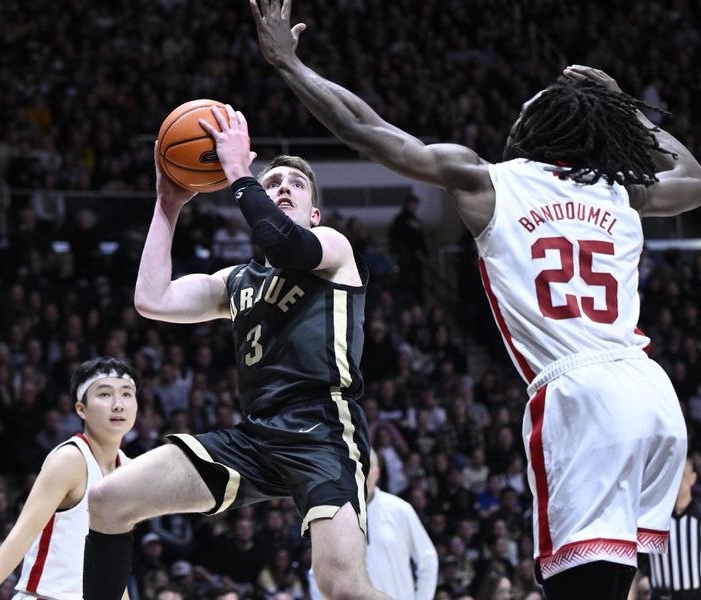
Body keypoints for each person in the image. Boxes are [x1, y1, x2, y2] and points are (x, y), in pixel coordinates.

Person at [249, 2, 701, 598]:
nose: (515, 117)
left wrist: (289, 65)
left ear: (539, 130)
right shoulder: (622, 192)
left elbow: (367, 130)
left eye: (526, 111)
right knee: (613, 579)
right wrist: (622, 106)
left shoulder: (488, 180)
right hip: (651, 391)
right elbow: (693, 175)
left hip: (580, 394)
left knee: (577, 583)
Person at [82, 104, 386, 600]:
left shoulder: (332, 247)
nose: (282, 187)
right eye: (273, 183)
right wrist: (167, 206)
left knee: (342, 587)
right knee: (108, 499)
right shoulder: (236, 281)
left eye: (295, 184)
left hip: (322, 428)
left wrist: (242, 174)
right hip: (255, 436)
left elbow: (286, 246)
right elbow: (151, 299)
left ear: (314, 213)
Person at [0, 356, 138, 600]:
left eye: (126, 394)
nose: (118, 404)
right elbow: (24, 531)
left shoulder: (130, 471)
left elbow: (114, 561)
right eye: (104, 395)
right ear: (81, 409)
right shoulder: (70, 459)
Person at [309, 449, 438, 600]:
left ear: (376, 472)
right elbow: (317, 574)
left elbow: (428, 560)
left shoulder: (400, 510)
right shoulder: (331, 516)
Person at [647, 457, 701, 599]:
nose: (677, 480)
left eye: (682, 474)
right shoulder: (655, 517)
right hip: (660, 595)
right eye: (673, 474)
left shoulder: (698, 517)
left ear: (692, 478)